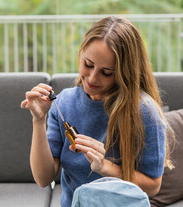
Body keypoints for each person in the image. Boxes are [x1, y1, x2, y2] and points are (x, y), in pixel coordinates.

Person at [20, 16, 173, 207]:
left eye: (106, 72)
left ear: (124, 73)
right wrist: (38, 121)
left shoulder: (145, 112)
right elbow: (43, 179)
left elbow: (152, 186)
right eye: (88, 64)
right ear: (81, 53)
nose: (92, 78)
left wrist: (105, 167)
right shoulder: (65, 103)